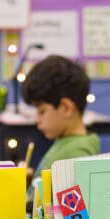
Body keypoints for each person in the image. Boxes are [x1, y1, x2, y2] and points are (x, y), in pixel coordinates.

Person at [21, 55, 100, 186]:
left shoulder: (74, 155)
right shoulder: (68, 143)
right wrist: (33, 180)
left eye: (42, 111)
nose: (36, 119)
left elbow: (69, 205)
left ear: (66, 108)